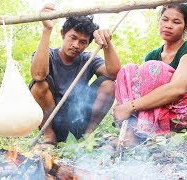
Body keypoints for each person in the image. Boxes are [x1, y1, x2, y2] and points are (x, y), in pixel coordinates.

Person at [113, 3, 187, 147]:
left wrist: (130, 106)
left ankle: (144, 133)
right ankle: (132, 130)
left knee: (154, 68)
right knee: (128, 70)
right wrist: (121, 106)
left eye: (176, 22)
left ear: (186, 27)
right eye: (165, 20)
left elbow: (177, 89)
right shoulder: (153, 55)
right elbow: (138, 89)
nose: (168, 25)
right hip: (161, 107)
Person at [30, 4, 121, 146]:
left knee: (109, 84)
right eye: (73, 38)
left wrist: (107, 44)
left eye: (83, 42)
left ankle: (88, 135)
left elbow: (114, 73)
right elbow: (38, 74)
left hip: (79, 119)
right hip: (53, 119)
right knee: (39, 85)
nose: (76, 45)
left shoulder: (88, 59)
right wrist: (47, 30)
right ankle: (49, 137)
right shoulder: (48, 55)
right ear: (62, 34)